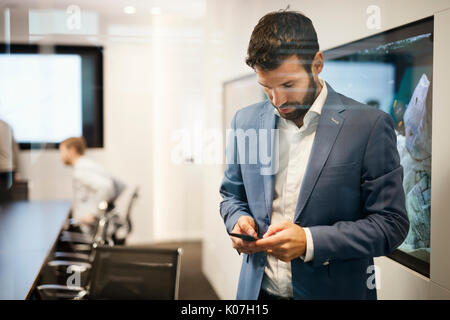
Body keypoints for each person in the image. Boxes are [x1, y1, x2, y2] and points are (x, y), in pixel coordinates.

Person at [219, 10, 409, 300]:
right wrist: (237, 221)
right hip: (257, 293)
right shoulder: (245, 121)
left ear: (317, 64)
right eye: (266, 87)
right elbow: (232, 196)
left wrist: (310, 241)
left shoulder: (368, 125)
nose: (277, 100)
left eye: (288, 85)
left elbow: (391, 224)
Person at [59, 136, 125, 231]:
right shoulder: (87, 164)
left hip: (88, 227)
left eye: (62, 151)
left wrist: (94, 214)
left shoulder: (81, 170)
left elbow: (106, 187)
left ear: (72, 150)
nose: (61, 156)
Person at [0, 119, 20, 202]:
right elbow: (15, 150)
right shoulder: (6, 125)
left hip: (3, 168)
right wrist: (17, 170)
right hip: (9, 168)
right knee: (6, 200)